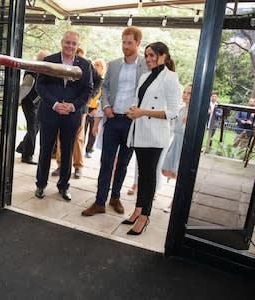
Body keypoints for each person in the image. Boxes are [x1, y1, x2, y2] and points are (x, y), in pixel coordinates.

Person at [82, 26, 147, 217]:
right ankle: (100, 201)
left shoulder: (146, 65)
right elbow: (106, 88)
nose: (125, 46)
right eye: (123, 42)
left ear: (137, 43)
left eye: (129, 43)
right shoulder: (114, 64)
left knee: (123, 163)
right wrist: (107, 106)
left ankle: (115, 198)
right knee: (106, 162)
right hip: (112, 119)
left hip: (131, 122)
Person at [122, 42, 180, 235]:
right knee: (141, 175)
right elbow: (138, 102)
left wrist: (142, 112)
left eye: (152, 55)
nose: (148, 59)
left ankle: (145, 216)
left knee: (149, 176)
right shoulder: (145, 76)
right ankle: (138, 209)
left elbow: (173, 112)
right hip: (139, 131)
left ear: (163, 56)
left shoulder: (171, 78)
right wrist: (133, 111)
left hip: (155, 135)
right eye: (146, 55)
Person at [34, 31, 92, 201]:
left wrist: (73, 106)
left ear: (77, 45)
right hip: (50, 113)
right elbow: (40, 86)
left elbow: (87, 89)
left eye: (74, 43)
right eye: (68, 42)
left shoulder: (85, 65)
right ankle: (41, 185)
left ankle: (64, 187)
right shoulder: (49, 61)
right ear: (62, 42)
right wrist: (55, 104)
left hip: (71, 115)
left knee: (67, 153)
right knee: (45, 151)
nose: (70, 46)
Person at [51, 47, 100, 179]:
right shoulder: (60, 64)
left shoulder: (87, 64)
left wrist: (90, 97)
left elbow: (98, 81)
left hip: (80, 108)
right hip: (62, 106)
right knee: (60, 136)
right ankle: (61, 164)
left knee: (78, 137)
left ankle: (78, 166)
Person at [16, 49, 50, 164]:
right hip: (29, 103)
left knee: (36, 127)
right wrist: (19, 99)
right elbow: (25, 86)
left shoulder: (43, 71)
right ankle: (27, 155)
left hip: (37, 104)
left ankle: (22, 147)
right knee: (33, 128)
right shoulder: (32, 70)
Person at [161, 84, 192, 213]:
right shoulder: (181, 109)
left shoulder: (193, 112)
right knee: (166, 170)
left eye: (189, 93)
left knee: (179, 173)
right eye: (184, 92)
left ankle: (175, 203)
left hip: (184, 144)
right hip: (175, 141)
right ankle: (185, 191)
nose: (185, 95)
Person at [85, 58, 106, 158]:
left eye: (99, 66)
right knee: (82, 130)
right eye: (95, 65)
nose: (97, 67)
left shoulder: (103, 82)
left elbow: (103, 98)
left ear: (103, 68)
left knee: (92, 132)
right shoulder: (90, 79)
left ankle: (89, 149)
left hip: (96, 109)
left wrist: (96, 110)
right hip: (86, 108)